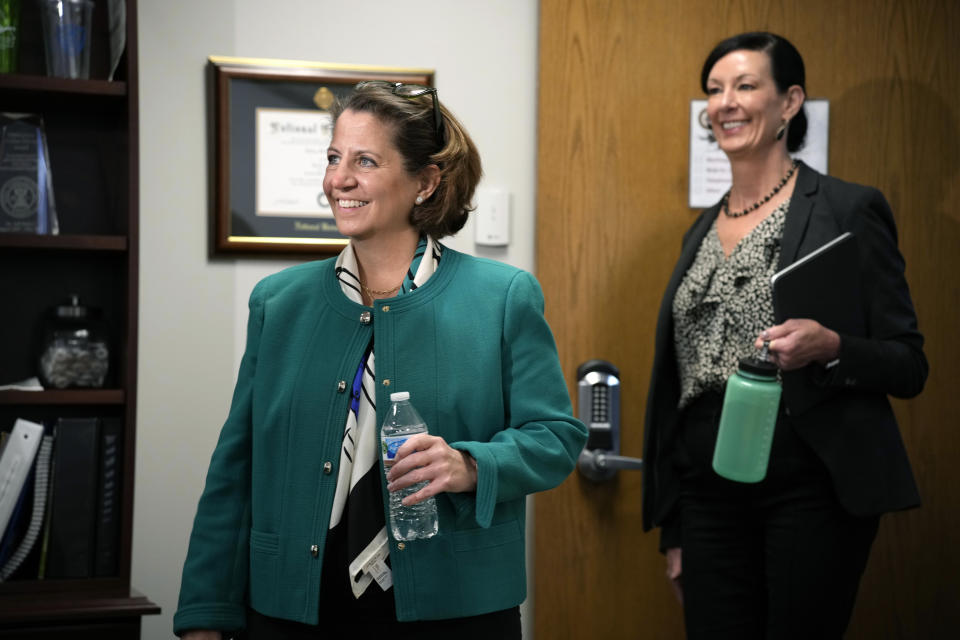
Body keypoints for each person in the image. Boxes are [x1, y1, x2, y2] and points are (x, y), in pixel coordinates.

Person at [174, 81, 587, 639]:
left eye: (365, 161)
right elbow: (235, 468)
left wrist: (470, 466)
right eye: (333, 158)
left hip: (457, 609)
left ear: (425, 181)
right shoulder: (279, 303)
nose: (338, 179)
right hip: (293, 608)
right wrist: (205, 612)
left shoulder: (502, 297)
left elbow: (555, 438)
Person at [640, 32, 927, 639]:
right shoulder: (699, 230)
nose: (725, 103)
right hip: (707, 492)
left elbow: (908, 363)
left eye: (745, 85)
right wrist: (676, 527)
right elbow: (682, 380)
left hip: (809, 485)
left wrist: (833, 346)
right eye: (714, 90)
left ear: (790, 102)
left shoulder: (847, 209)